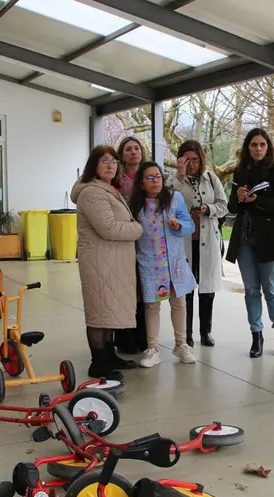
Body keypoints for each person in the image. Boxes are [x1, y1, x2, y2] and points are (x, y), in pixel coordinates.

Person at [71, 145, 144, 382]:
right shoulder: (92, 192)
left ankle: (109, 356)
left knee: (107, 311)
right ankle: (98, 363)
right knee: (98, 314)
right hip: (99, 262)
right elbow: (108, 227)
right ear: (94, 165)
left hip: (110, 261)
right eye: (105, 161)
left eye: (113, 161)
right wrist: (137, 228)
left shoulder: (106, 188)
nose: (111, 165)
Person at [225, 128, 274, 358]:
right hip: (244, 239)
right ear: (247, 147)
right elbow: (232, 208)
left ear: (268, 147)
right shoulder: (240, 171)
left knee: (272, 290)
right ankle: (257, 336)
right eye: (253, 145)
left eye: (262, 144)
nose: (258, 149)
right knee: (251, 290)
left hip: (270, 239)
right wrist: (239, 197)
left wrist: (257, 200)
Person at [130, 161, 197, 368]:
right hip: (150, 263)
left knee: (179, 302)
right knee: (152, 305)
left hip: (174, 261)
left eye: (158, 176)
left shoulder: (175, 199)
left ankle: (181, 345)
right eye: (149, 178)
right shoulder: (136, 205)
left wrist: (179, 225)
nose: (155, 181)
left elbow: (190, 226)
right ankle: (153, 349)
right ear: (141, 183)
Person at [168, 140, 228, 347]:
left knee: (207, 288)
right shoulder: (175, 180)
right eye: (187, 160)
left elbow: (223, 205)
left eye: (195, 159)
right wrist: (180, 175)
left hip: (207, 241)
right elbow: (165, 202)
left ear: (201, 159)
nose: (192, 164)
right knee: (186, 288)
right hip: (182, 242)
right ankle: (187, 333)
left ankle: (206, 331)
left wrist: (208, 209)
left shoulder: (211, 178)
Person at [114, 136, 148, 357]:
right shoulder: (116, 179)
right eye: (128, 149)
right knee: (126, 289)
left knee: (144, 288)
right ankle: (125, 338)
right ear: (122, 154)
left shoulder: (149, 175)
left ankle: (143, 337)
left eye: (137, 148)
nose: (133, 152)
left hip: (147, 239)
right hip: (124, 238)